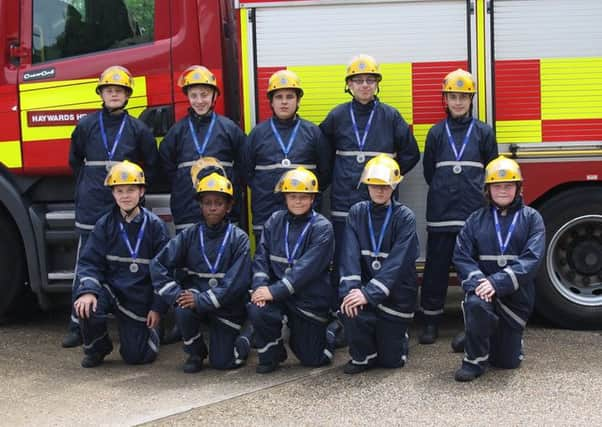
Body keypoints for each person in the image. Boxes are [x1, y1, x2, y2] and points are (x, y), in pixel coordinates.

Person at [320, 54, 419, 339]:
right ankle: (344, 316)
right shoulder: (337, 116)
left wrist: (391, 177)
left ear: (377, 84)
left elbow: (411, 153)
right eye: (358, 80)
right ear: (348, 85)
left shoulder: (390, 116)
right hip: (344, 203)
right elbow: (322, 152)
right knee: (345, 261)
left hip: (381, 207)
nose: (364, 85)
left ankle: (384, 312)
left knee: (383, 258)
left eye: (370, 80)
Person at [64, 65, 159, 348]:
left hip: (125, 204)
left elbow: (150, 164)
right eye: (109, 90)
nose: (114, 94)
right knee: (86, 262)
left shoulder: (139, 129)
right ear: (102, 94)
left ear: (127, 94)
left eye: (119, 90)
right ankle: (76, 323)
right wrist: (90, 186)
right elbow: (75, 161)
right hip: (94, 202)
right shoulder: (87, 126)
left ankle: (131, 315)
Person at [419, 68, 499, 345]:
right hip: (441, 213)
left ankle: (472, 322)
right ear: (445, 99)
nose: (458, 102)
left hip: (473, 214)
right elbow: (430, 171)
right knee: (436, 270)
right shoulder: (436, 133)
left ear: (471, 99)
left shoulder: (483, 132)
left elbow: (492, 171)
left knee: (473, 270)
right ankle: (430, 322)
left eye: (463, 97)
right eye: (453, 96)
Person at [453, 156, 545, 382]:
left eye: (508, 185)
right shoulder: (475, 220)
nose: (502, 190)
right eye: (497, 186)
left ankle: (478, 335)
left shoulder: (532, 219)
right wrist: (480, 283)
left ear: (518, 188)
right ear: (488, 189)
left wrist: (496, 282)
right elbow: (462, 256)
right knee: (475, 303)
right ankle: (474, 359)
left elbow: (531, 260)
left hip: (515, 298)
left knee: (507, 363)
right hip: (483, 293)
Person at [151, 172, 252, 373]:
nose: (212, 207)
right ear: (200, 205)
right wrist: (176, 295)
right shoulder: (189, 235)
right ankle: (195, 353)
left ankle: (247, 334)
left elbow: (235, 284)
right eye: (207, 203)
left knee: (223, 363)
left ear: (229, 206)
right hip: (196, 300)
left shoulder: (239, 238)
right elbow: (157, 265)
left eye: (219, 203)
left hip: (227, 306)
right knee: (182, 307)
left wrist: (202, 300)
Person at [73, 161, 169, 368]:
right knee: (85, 306)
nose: (125, 196)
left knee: (137, 357)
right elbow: (89, 262)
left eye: (131, 190)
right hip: (110, 290)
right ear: (113, 194)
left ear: (141, 191)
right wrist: (88, 292)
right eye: (119, 190)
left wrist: (157, 308)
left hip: (138, 298)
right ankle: (98, 348)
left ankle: (152, 332)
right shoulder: (104, 224)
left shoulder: (155, 227)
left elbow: (166, 273)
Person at [247, 167, 335, 373]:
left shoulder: (322, 228)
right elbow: (261, 259)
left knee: (313, 359)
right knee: (256, 309)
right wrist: (260, 288)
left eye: (304, 197)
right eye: (293, 196)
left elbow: (305, 270)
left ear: (313, 199)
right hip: (278, 296)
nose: (298, 201)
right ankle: (272, 354)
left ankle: (331, 329)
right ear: (285, 197)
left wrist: (273, 291)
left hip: (307, 300)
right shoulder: (274, 221)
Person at [339, 155, 419, 374]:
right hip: (365, 291)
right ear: (367, 185)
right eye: (375, 185)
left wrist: (369, 293)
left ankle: (397, 337)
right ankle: (364, 355)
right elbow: (349, 256)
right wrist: (352, 291)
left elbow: (398, 263)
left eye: (385, 186)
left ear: (394, 186)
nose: (380, 190)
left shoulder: (405, 217)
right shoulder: (356, 213)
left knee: (391, 362)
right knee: (350, 306)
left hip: (396, 296)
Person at [246, 69, 331, 244]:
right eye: (279, 97)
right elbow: (245, 172)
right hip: (266, 213)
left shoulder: (313, 133)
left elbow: (326, 172)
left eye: (290, 96)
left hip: (305, 214)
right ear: (271, 101)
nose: (284, 102)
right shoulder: (257, 134)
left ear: (298, 100)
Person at [159, 65, 246, 232]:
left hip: (224, 212)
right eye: (194, 95)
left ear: (214, 96)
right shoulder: (177, 131)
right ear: (188, 97)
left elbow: (244, 163)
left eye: (204, 95)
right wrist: (182, 182)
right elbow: (165, 164)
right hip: (187, 210)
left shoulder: (229, 129)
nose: (199, 101)